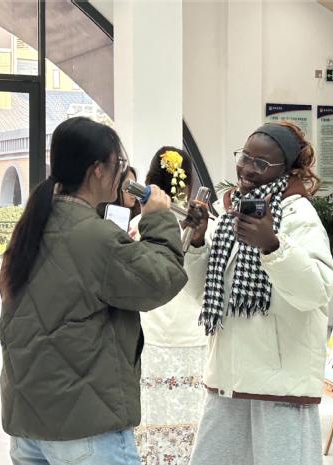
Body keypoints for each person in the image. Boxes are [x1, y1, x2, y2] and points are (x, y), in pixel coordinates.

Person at [0, 117, 188, 465]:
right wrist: (158, 218)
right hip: (84, 426)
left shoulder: (32, 227)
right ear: (98, 170)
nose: (122, 174)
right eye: (119, 164)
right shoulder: (94, 236)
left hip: (27, 421)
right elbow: (160, 280)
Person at [187, 121, 333, 465]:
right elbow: (205, 296)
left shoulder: (299, 215)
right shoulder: (228, 215)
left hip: (280, 388)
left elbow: (316, 292)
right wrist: (197, 242)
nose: (247, 169)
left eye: (261, 163)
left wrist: (272, 245)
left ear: (285, 169)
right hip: (227, 382)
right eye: (244, 157)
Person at [129, 147, 208, 465]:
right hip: (191, 333)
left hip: (151, 332)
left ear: (150, 180)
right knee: (193, 419)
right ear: (188, 184)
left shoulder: (139, 224)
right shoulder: (200, 227)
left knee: (152, 418)